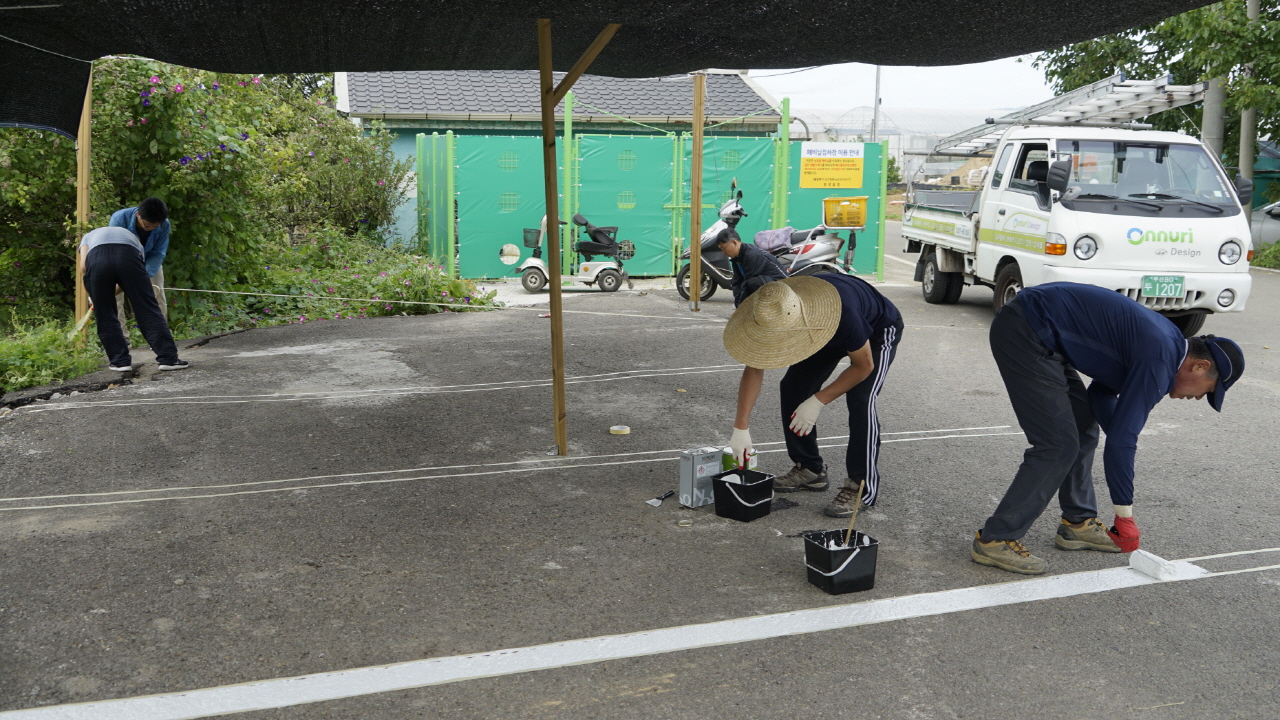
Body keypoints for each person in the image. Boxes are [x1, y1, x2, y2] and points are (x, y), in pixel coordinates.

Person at [972, 282, 1244, 575]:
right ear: (1201, 367)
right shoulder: (1159, 361)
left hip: (1044, 332)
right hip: (1028, 330)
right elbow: (1122, 440)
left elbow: (1101, 394)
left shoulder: (1167, 347)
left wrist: (1120, 436)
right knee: (1058, 445)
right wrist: (1124, 514)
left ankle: (1077, 523)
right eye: (1210, 391)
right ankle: (996, 538)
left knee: (1083, 428)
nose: (1200, 397)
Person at [722, 274, 903, 517]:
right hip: (820, 331)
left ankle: (861, 486)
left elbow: (864, 366)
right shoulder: (768, 307)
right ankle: (809, 469)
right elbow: (754, 368)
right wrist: (740, 428)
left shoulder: (843, 313)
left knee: (861, 399)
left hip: (877, 329)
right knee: (794, 387)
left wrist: (818, 400)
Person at [79, 226, 188, 372]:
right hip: (129, 255)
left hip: (98, 260)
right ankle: (168, 359)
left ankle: (120, 362)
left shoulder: (87, 237)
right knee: (147, 308)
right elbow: (129, 281)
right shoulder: (133, 238)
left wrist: (96, 297)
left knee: (105, 313)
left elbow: (84, 267)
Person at [108, 197, 170, 336]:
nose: (151, 229)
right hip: (121, 260)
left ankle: (160, 335)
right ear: (138, 215)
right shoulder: (119, 219)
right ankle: (121, 337)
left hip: (149, 261)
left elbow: (158, 252)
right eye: (148, 225)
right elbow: (115, 248)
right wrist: (130, 275)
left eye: (155, 226)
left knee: (157, 293)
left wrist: (144, 275)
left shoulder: (165, 225)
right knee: (115, 297)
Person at [715, 228, 787, 307]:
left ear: (734, 242)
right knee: (746, 283)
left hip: (782, 288)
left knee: (753, 282)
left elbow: (746, 285)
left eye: (724, 248)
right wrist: (737, 306)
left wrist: (741, 309)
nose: (723, 253)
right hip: (768, 284)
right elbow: (737, 283)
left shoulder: (751, 255)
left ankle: (769, 309)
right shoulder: (737, 258)